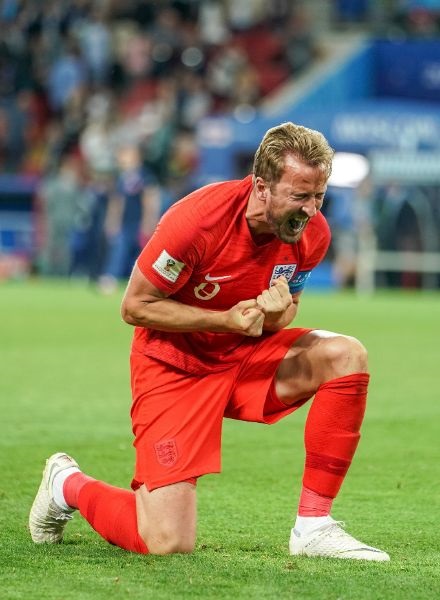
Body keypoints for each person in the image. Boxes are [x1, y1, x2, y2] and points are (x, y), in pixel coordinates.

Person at [29, 122, 390, 561]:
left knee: (345, 355)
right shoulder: (199, 222)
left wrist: (277, 313)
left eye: (319, 195)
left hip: (243, 357)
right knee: (166, 542)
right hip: (175, 366)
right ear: (261, 187)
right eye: (300, 196)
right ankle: (67, 484)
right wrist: (224, 321)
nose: (312, 210)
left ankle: (313, 527)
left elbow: (288, 308)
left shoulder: (311, 233)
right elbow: (135, 306)